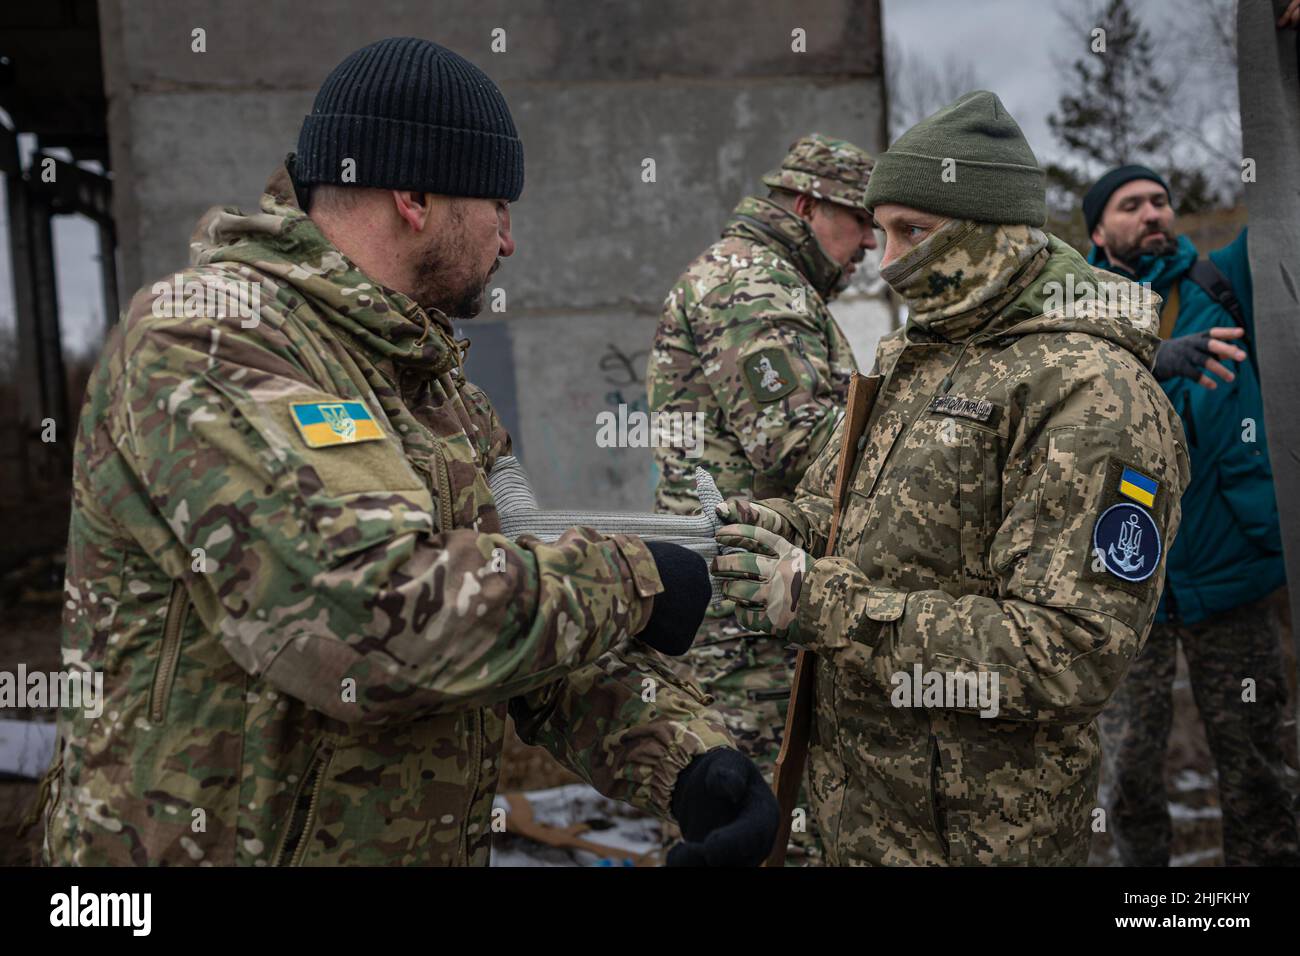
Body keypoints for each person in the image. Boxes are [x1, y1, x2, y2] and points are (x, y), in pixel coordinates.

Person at [37, 37, 777, 867]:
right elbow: (362, 623)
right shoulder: (207, 339)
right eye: (499, 206)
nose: (509, 244)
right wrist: (635, 578)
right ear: (416, 196)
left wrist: (687, 763)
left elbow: (517, 620)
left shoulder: (434, 387)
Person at [712, 91, 1189, 865]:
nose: (890, 261)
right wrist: (777, 531)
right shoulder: (918, 355)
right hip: (862, 818)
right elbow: (841, 512)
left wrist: (827, 605)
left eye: (914, 232)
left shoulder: (1091, 392)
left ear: (991, 231)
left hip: (977, 836)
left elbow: (1069, 652)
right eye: (881, 231)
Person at [645, 134, 875, 861]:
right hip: (743, 624)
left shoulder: (770, 280)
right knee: (754, 825)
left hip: (751, 601)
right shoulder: (752, 284)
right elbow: (801, 441)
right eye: (861, 220)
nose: (872, 241)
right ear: (807, 206)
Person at [1086, 164, 1300, 866]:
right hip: (1122, 589)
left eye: (1160, 201)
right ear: (1097, 229)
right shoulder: (1076, 312)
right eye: (1129, 205)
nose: (1152, 212)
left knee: (1258, 774)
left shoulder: (1222, 283)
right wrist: (1152, 358)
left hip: (1231, 576)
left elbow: (1281, 211)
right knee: (1128, 781)